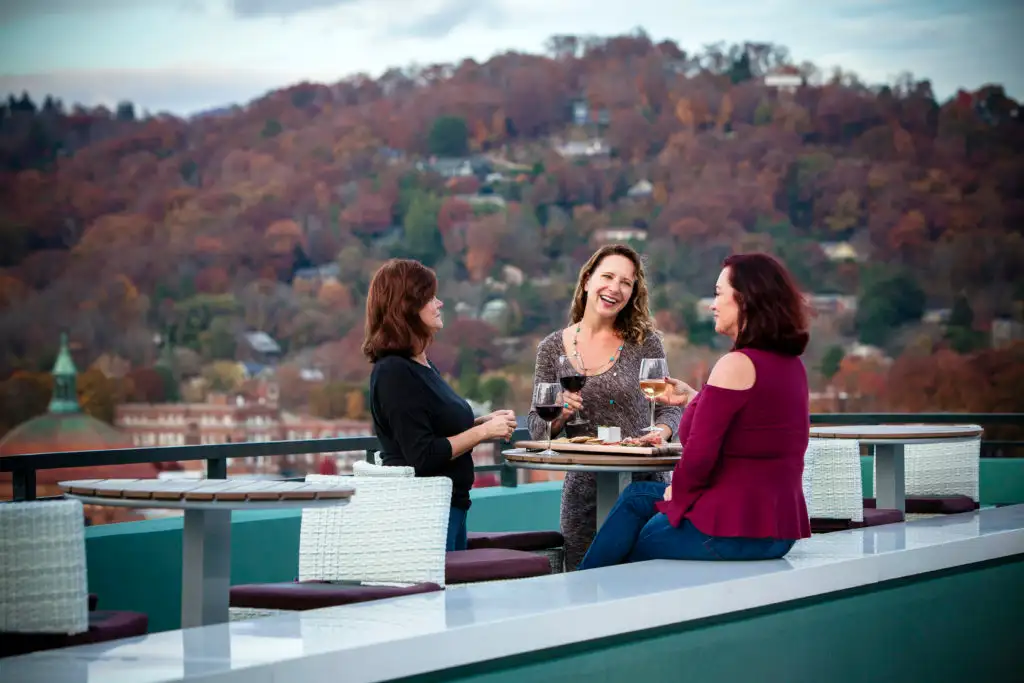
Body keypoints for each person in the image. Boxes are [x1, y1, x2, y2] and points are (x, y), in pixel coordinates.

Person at [578, 252, 812, 569]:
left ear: (745, 300)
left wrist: (680, 497)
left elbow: (700, 457)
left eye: (718, 294)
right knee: (637, 496)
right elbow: (752, 422)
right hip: (777, 531)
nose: (712, 304)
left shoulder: (736, 364)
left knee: (624, 558)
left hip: (729, 530)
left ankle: (586, 592)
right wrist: (696, 399)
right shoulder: (790, 365)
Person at [527, 244, 682, 571]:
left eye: (626, 282)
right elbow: (537, 424)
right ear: (586, 281)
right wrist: (560, 414)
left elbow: (670, 407)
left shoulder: (645, 342)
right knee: (585, 586)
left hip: (642, 487)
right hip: (584, 492)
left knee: (644, 586)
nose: (615, 287)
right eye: (608, 276)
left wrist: (660, 432)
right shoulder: (552, 347)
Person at [363, 259, 517, 552]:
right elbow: (422, 455)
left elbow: (435, 431)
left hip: (451, 505)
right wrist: (482, 435)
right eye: (430, 298)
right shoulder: (394, 372)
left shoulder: (421, 365)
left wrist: (481, 424)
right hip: (426, 512)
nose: (440, 303)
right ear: (407, 307)